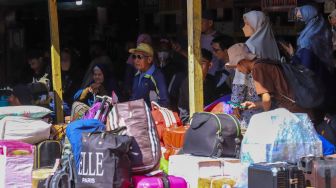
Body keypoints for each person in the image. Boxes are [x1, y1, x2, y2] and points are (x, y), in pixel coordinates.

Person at [281, 5, 336, 118]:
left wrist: (292, 56)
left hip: (316, 91)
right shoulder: (322, 34)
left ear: (309, 20)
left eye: (301, 19)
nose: (298, 22)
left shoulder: (307, 40)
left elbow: (305, 68)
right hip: (327, 83)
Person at [227, 43, 311, 116]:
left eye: (236, 66)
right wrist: (255, 104)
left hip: (295, 111)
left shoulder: (257, 68)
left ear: (242, 61)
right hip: (301, 107)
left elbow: (266, 99)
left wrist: (266, 116)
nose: (238, 70)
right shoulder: (264, 63)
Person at [231, 10, 281, 125]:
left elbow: (240, 77)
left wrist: (236, 103)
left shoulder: (249, 46)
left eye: (247, 24)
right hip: (272, 98)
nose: (244, 27)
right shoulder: (272, 44)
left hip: (253, 99)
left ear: (255, 25)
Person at [178, 49, 218, 124]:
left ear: (210, 65)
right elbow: (197, 108)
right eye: (196, 63)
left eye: (202, 62)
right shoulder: (188, 82)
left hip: (208, 116)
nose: (198, 66)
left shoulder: (211, 80)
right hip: (189, 119)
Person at [129, 43, 170, 107]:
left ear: (149, 59)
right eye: (134, 57)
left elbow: (164, 102)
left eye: (139, 57)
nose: (136, 60)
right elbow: (133, 97)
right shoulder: (137, 75)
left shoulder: (157, 76)